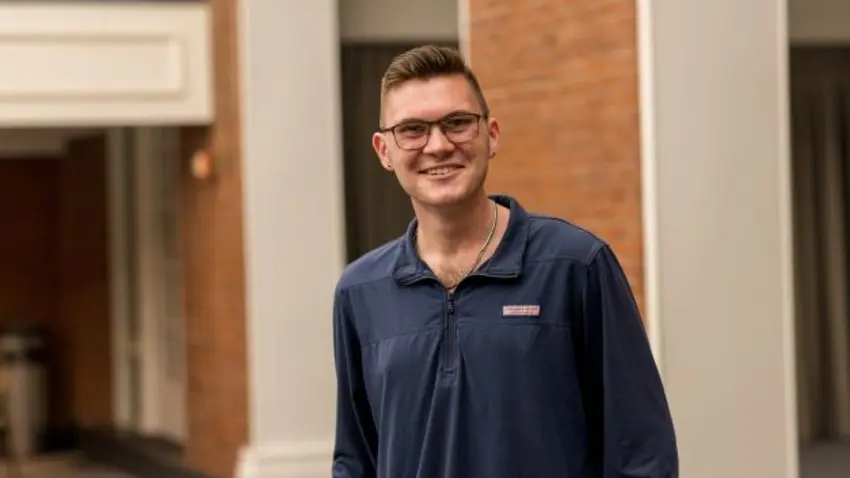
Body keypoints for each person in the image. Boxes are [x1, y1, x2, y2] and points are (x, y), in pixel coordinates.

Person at [331, 45, 678, 478]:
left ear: (491, 135)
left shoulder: (575, 267)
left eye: (457, 123)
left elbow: (641, 453)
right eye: (413, 130)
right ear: (384, 151)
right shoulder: (360, 293)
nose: (438, 145)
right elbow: (355, 459)